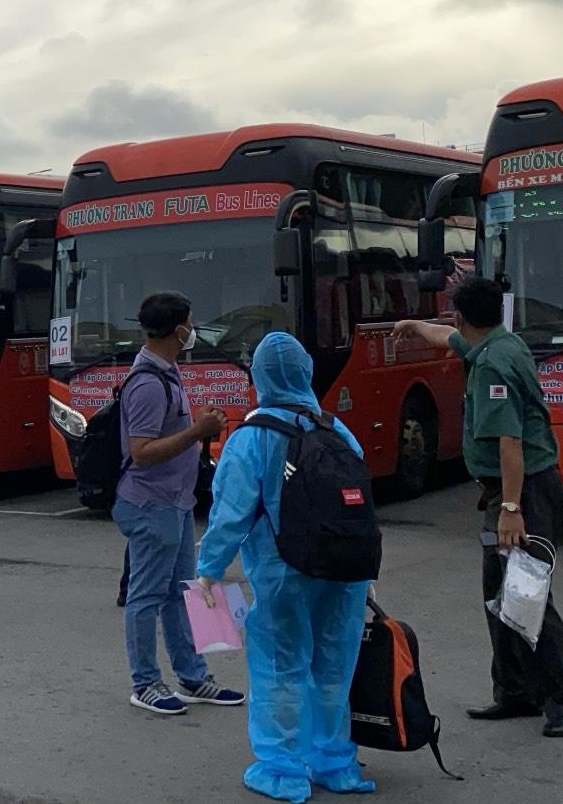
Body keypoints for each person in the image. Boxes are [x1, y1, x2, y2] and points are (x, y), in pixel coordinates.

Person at [396, 278, 563, 738]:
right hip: (507, 492)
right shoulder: (499, 342)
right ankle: (516, 691)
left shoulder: (493, 367)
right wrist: (413, 325)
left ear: (461, 314)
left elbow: (510, 443)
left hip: (522, 492)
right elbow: (448, 337)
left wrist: (511, 508)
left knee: (527, 594)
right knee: (498, 590)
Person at [197, 333, 374, 801]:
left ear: (259, 378)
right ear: (306, 373)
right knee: (334, 667)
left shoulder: (251, 438)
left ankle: (282, 770)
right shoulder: (337, 430)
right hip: (346, 571)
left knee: (280, 667)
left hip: (284, 572)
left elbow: (230, 514)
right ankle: (335, 763)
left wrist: (209, 569)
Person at [112, 292, 239, 715]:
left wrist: (196, 429)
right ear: (179, 330)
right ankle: (145, 683)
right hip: (152, 504)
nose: (194, 330)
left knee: (184, 593)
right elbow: (142, 451)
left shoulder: (166, 372)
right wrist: (196, 432)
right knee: (146, 596)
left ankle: (193, 677)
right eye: (190, 323)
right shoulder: (149, 383)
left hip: (176, 502)